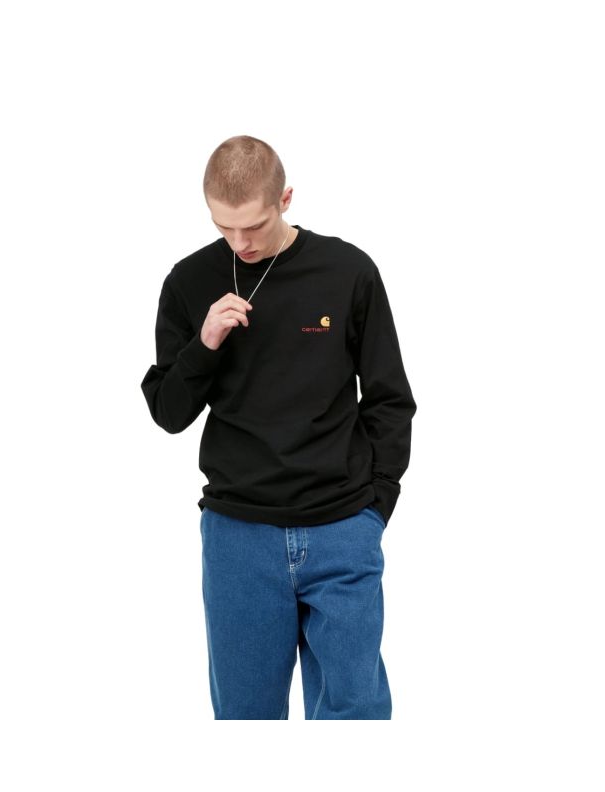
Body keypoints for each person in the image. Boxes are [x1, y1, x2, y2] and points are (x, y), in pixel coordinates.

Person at [140, 135, 417, 719]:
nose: (240, 243)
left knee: (357, 718)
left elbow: (390, 397)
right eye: (224, 227)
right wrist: (205, 344)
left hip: (342, 526)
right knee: (245, 722)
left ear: (285, 199)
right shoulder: (188, 281)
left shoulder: (347, 271)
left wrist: (375, 508)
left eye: (254, 226)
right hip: (238, 536)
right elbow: (168, 412)